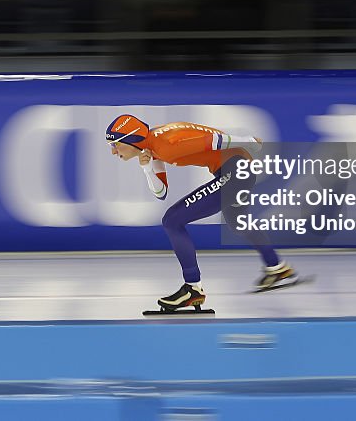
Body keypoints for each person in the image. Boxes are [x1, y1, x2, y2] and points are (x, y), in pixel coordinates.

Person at [105, 114, 298, 311]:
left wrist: (249, 141)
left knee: (172, 220)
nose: (113, 151)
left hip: (235, 170)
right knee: (238, 222)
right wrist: (146, 169)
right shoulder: (152, 145)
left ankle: (192, 289)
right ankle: (277, 267)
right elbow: (161, 192)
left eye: (115, 144)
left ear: (131, 140)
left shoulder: (166, 146)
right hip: (234, 169)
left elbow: (214, 141)